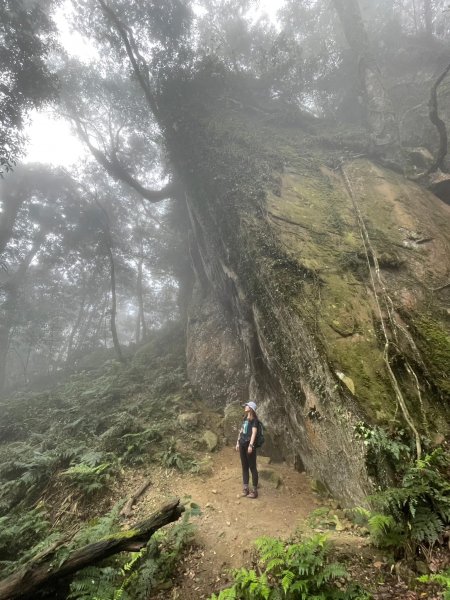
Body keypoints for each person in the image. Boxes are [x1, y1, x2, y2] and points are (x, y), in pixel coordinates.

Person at [235, 401, 259, 499]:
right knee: (244, 466)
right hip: (242, 444)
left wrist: (251, 445)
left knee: (252, 467)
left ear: (251, 408)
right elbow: (241, 431)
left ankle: (254, 491)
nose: (245, 407)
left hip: (249, 446)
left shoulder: (255, 420)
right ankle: (245, 489)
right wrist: (237, 442)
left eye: (247, 406)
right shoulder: (245, 418)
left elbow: (254, 433)